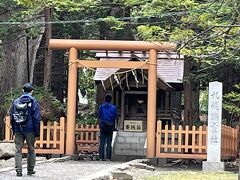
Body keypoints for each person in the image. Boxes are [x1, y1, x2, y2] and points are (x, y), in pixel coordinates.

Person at [10, 83, 40, 177]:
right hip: (30, 128)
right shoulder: (33, 101)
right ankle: (30, 170)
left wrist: (14, 129)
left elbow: (12, 117)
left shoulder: (16, 101)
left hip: (18, 128)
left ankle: (18, 170)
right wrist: (37, 132)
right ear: (32, 91)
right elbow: (36, 118)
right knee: (31, 149)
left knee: (18, 150)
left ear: (22, 90)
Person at [98, 94, 117, 161]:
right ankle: (108, 157)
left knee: (102, 142)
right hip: (110, 126)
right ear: (110, 100)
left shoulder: (101, 107)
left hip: (103, 125)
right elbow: (115, 117)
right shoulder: (113, 108)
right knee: (109, 142)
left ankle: (101, 157)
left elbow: (99, 115)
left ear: (105, 99)